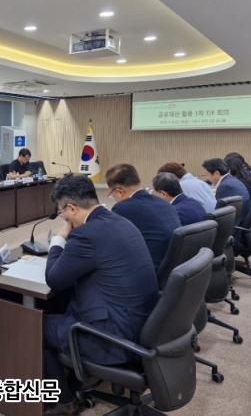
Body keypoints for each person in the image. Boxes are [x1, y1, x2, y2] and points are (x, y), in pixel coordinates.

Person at [43, 175, 158, 415]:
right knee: (65, 303)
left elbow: (53, 278)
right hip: (143, 326)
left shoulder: (87, 234)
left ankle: (62, 402)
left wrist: (59, 239)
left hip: (113, 338)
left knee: (33, 326)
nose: (63, 218)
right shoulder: (121, 221)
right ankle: (75, 382)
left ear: (72, 208)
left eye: (62, 213)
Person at [106, 164, 181, 271]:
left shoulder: (123, 208)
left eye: (111, 194)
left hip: (149, 271)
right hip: (171, 268)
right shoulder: (163, 203)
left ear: (119, 191)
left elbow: (112, 245)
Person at [202, 158, 250, 223]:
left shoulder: (226, 186)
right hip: (241, 220)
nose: (207, 178)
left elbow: (218, 213)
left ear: (216, 173)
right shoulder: (230, 180)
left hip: (236, 224)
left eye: (207, 175)